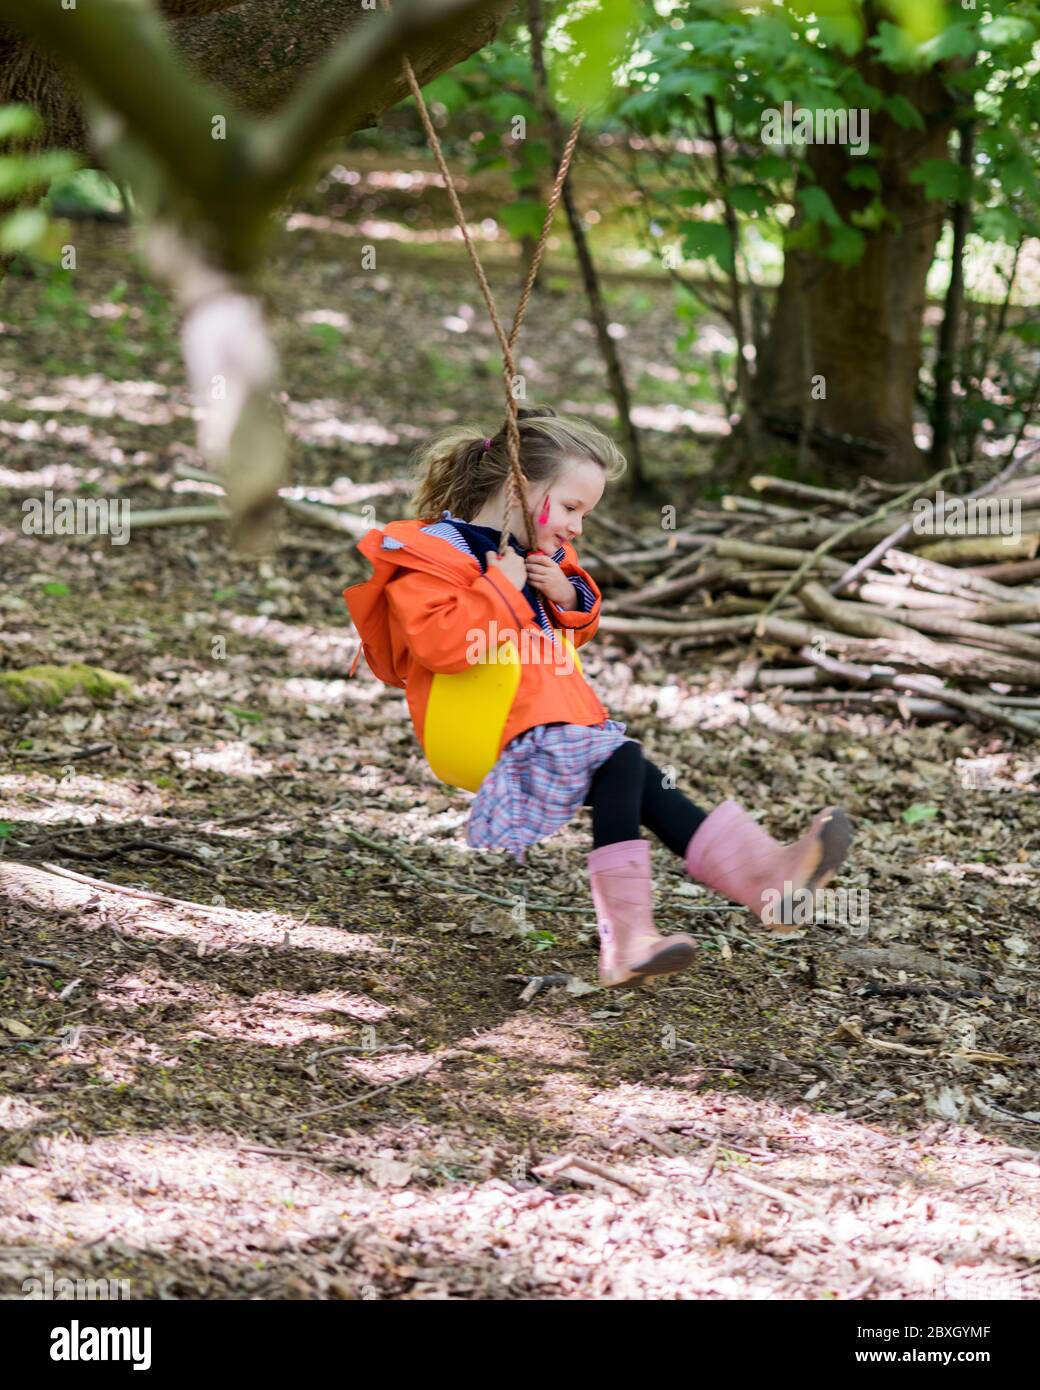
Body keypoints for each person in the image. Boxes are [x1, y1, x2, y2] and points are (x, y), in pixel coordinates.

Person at [345, 405, 851, 986]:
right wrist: (498, 587)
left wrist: (565, 594)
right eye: (570, 507)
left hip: (553, 722)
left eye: (585, 513)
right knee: (623, 763)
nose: (577, 527)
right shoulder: (431, 554)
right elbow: (441, 645)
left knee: (629, 771)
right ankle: (653, 928)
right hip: (492, 732)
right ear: (517, 486)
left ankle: (758, 886)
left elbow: (574, 627)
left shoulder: (539, 559)